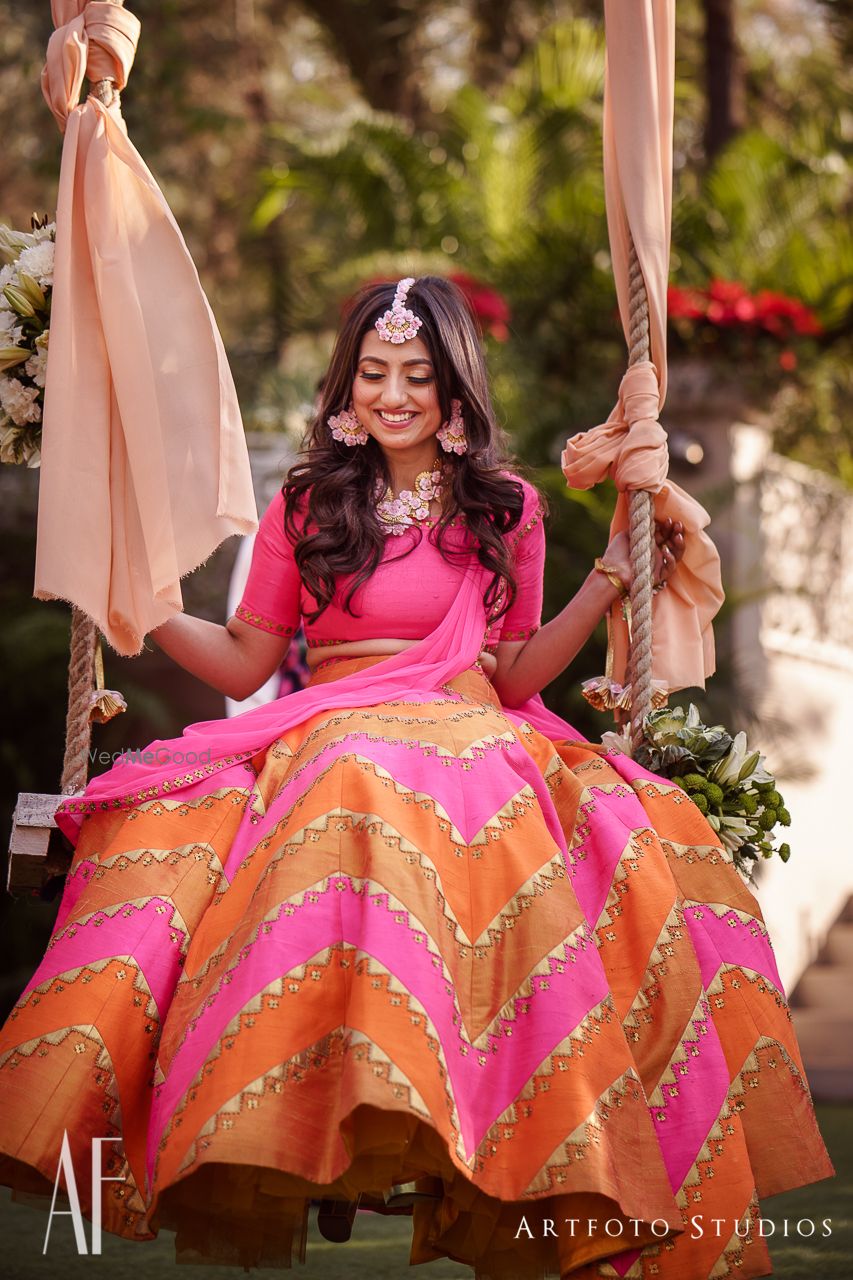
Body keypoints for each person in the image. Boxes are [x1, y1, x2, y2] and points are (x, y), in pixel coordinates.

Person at [0, 277, 832, 1279]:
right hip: (338, 727)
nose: (394, 393)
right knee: (339, 778)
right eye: (375, 372)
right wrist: (134, 602)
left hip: (477, 726)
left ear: (452, 391)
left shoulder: (506, 507)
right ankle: (340, 1084)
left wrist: (607, 576)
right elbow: (240, 661)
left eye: (417, 375)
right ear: (347, 386)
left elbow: (519, 671)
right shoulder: (306, 505)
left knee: (588, 818)